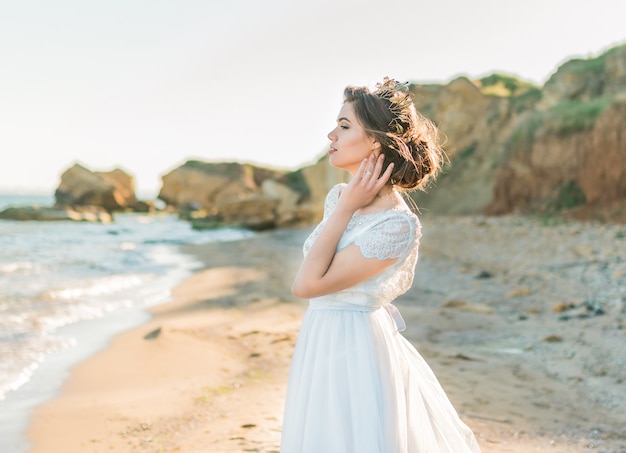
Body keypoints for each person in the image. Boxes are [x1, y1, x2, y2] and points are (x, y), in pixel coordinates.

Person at [280, 77, 482, 452]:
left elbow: (306, 285)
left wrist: (345, 208)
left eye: (344, 126)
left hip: (353, 345)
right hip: (321, 335)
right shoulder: (339, 197)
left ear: (374, 141)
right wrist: (344, 205)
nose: (331, 135)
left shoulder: (395, 225)